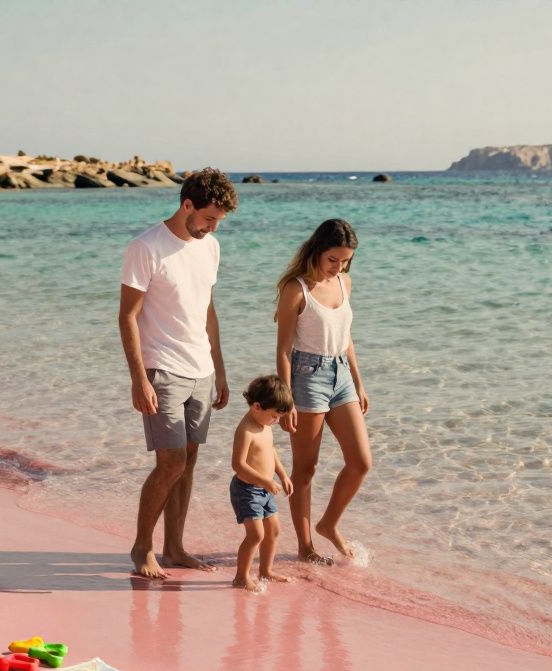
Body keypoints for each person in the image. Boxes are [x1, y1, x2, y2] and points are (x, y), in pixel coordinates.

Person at [119, 168, 238, 579]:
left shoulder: (211, 248)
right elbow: (128, 317)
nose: (212, 227)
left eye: (218, 221)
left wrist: (219, 369)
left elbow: (207, 309)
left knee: (187, 462)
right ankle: (142, 547)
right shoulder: (146, 247)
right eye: (208, 218)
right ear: (187, 204)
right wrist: (139, 378)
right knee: (169, 463)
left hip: (201, 369)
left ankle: (174, 547)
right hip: (162, 370)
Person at [275, 219, 371, 563]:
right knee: (305, 469)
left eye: (345, 260)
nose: (339, 266)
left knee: (360, 462)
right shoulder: (295, 289)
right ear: (317, 250)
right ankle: (305, 548)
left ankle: (329, 524)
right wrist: (286, 400)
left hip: (341, 375)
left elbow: (347, 339)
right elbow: (284, 350)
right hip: (306, 377)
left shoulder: (345, 282)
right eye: (333, 259)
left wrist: (358, 382)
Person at [229, 375, 295, 591]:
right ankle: (241, 577)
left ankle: (265, 570)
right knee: (256, 534)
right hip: (247, 490)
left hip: (264, 489)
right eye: (274, 416)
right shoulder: (246, 429)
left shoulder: (265, 426)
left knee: (273, 530)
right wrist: (265, 480)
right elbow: (238, 464)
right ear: (257, 406)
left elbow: (271, 452)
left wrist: (283, 475)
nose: (276, 421)